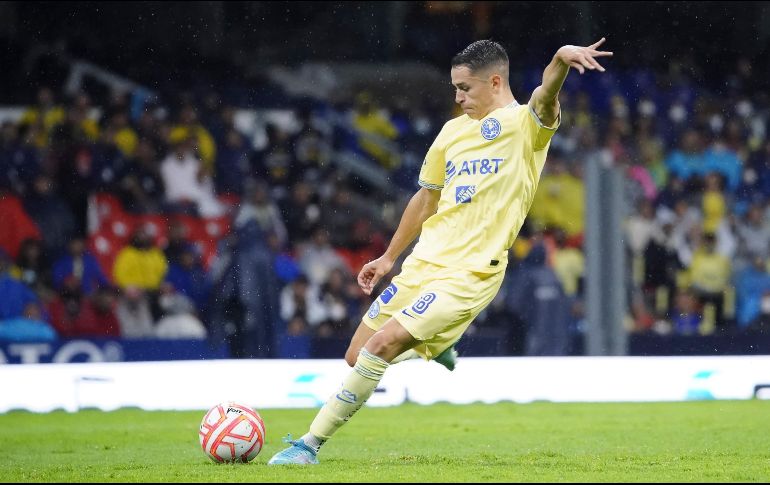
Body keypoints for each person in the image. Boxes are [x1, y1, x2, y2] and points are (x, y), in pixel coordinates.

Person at [269, 37, 612, 465]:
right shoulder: (452, 131)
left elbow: (546, 92)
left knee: (380, 347)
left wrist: (561, 57)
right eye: (455, 87)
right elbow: (425, 198)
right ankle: (435, 345)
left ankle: (308, 445)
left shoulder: (526, 124)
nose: (457, 96)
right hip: (423, 263)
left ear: (494, 81)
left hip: (471, 272)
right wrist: (389, 257)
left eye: (465, 88)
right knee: (357, 356)